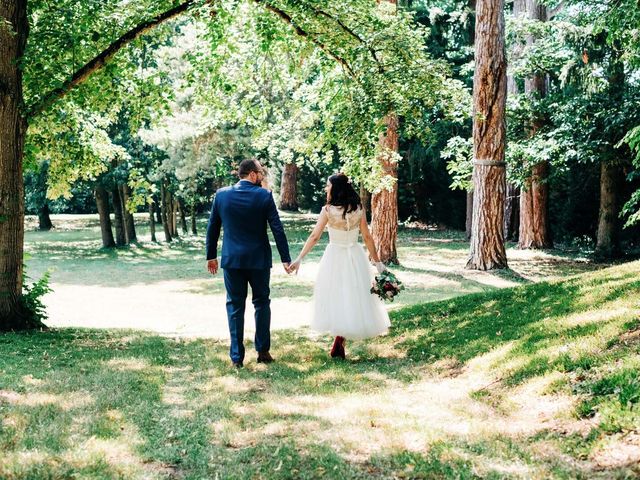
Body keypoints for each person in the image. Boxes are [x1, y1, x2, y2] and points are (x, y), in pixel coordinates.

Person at [288, 173, 390, 359]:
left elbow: (314, 236)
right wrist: (377, 262)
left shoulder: (327, 210)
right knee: (351, 295)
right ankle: (339, 339)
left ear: (336, 188)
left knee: (336, 295)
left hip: (334, 256)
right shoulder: (358, 209)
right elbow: (367, 237)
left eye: (328, 186)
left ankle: (339, 339)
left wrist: (299, 258)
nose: (326, 189)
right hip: (355, 256)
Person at [206, 159, 291, 368]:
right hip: (258, 260)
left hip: (232, 260)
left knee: (235, 306)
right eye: (260, 173)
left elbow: (213, 227)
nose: (262, 176)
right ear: (252, 174)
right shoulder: (264, 195)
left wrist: (211, 256)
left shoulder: (222, 195)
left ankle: (236, 358)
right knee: (261, 303)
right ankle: (263, 351)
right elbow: (277, 228)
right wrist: (285, 258)